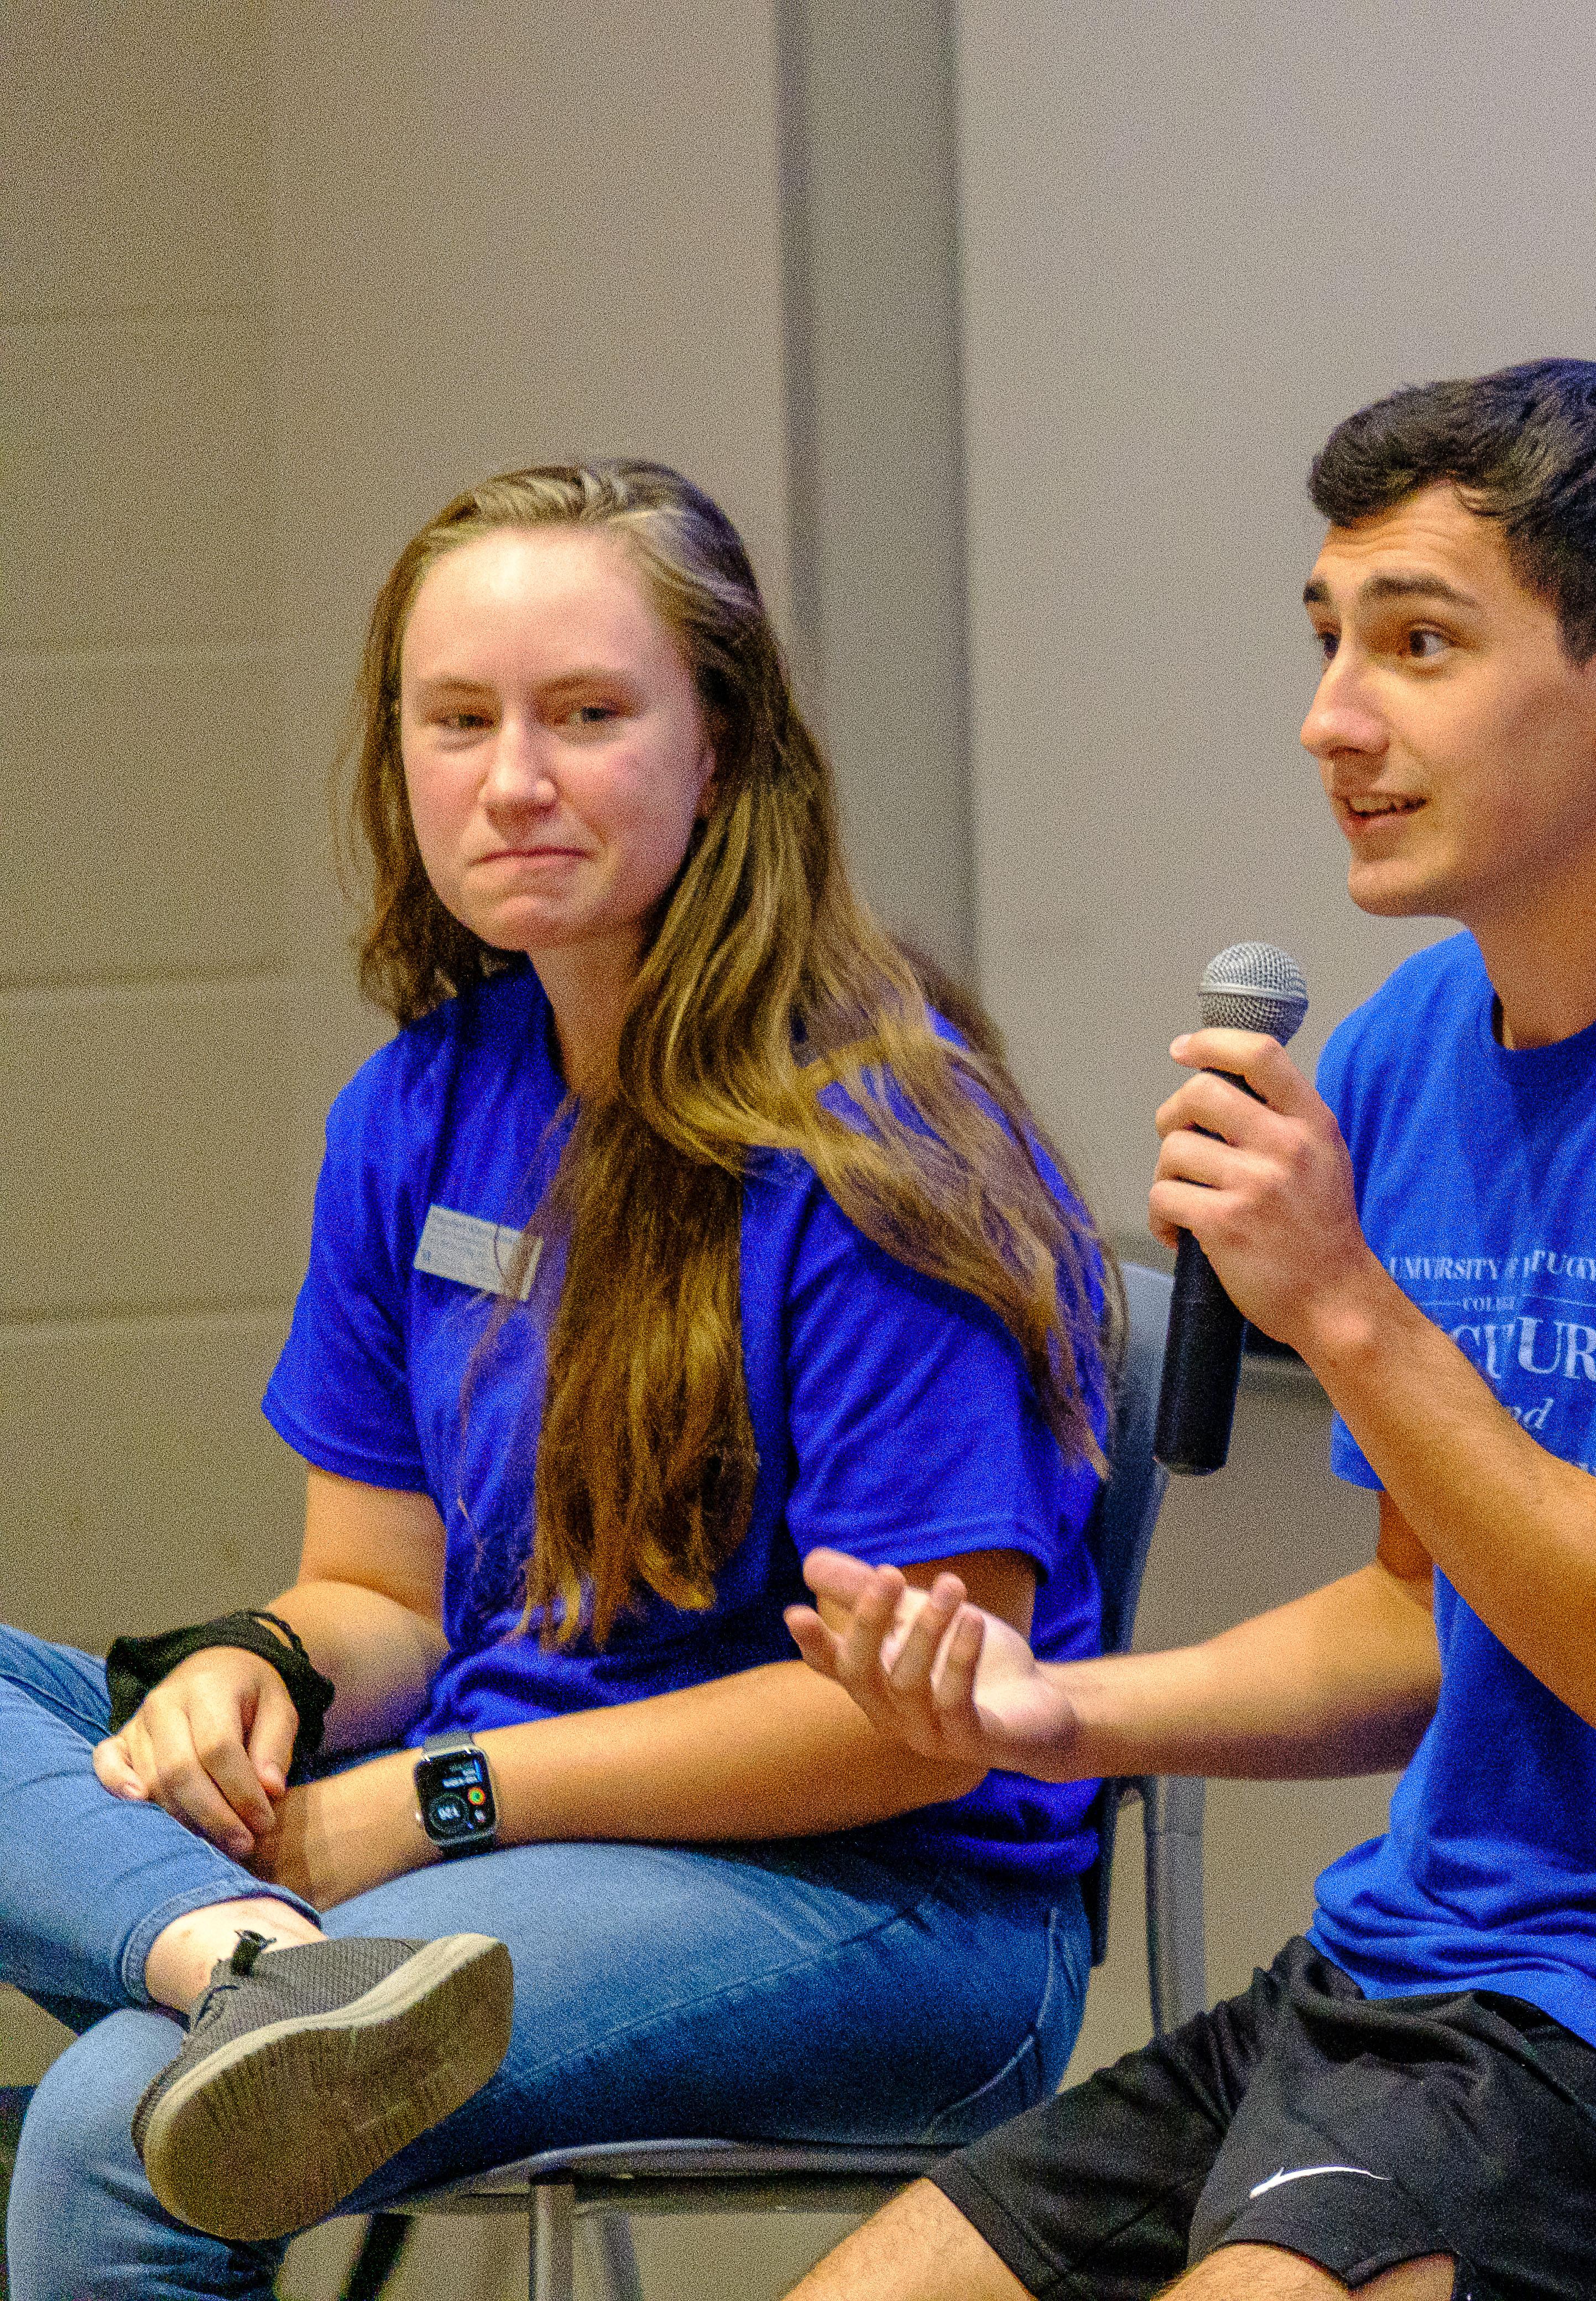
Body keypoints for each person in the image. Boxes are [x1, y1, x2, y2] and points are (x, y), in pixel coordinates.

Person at [784, 358, 1596, 2301]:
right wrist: (1052, 1712)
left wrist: (1349, 1307)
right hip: (1397, 1973)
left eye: (1420, 645)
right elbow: (1417, 1622)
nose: (1331, 721)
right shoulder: (1398, 1055)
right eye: (1327, 642)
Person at [0, 460, 1120, 2296]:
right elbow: (379, 1594)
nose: (512, 780)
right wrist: (261, 1669)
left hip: (895, 1896)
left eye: (588, 716)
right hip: (485, 1819)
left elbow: (914, 1715)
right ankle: (258, 1968)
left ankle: (255, 1974)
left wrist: (434, 1801)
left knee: (116, 2134)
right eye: (460, 722)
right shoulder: (422, 1107)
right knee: (161, 1990)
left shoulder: (881, 1143)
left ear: (723, 747)